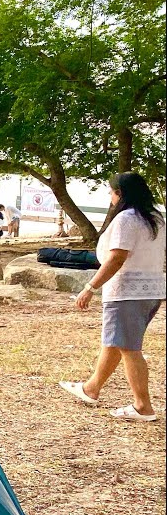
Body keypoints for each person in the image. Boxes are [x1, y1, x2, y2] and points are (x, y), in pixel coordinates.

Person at [59, 172, 165, 422]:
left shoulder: (127, 219)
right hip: (150, 291)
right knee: (116, 341)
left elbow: (117, 257)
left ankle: (143, 406)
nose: (109, 197)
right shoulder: (156, 219)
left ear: (120, 194)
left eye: (111, 192)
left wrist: (90, 287)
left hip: (126, 292)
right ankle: (91, 388)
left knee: (128, 347)